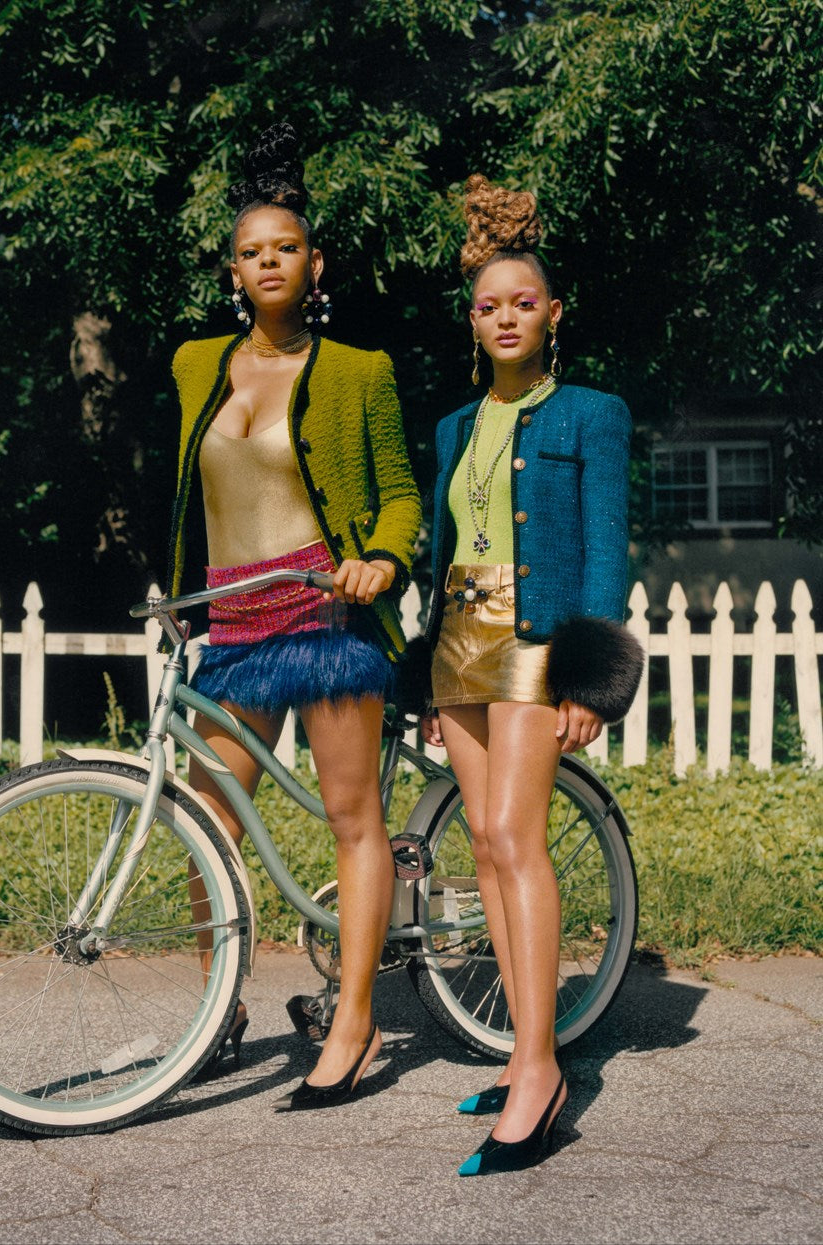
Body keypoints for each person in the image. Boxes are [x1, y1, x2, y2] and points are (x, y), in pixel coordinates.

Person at [165, 123, 422, 1109]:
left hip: (325, 621)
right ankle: (215, 1009)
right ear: (232, 270)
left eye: (286, 246)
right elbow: (191, 496)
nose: (268, 261)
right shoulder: (196, 364)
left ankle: (353, 1021)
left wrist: (381, 560)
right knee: (202, 826)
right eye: (250, 250)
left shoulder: (359, 370)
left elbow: (399, 494)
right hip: (229, 628)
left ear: (313, 264)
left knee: (352, 824)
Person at [422, 175, 642, 1173]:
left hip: (538, 639)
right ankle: (522, 1055)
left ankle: (543, 1070)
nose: (505, 317)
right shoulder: (452, 430)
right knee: (478, 840)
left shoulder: (593, 414)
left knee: (515, 836)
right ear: (471, 322)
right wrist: (426, 678)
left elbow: (603, 551)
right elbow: (445, 552)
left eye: (523, 302)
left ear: (552, 315)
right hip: (463, 636)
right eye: (487, 306)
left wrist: (589, 683)